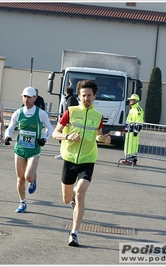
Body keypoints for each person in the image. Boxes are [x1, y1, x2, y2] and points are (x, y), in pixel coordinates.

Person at [52, 79, 111, 247]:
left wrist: (104, 139)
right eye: (84, 95)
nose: (87, 99)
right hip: (69, 159)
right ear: (79, 96)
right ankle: (72, 202)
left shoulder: (98, 116)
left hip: (88, 160)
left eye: (89, 96)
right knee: (66, 198)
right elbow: (55, 133)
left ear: (95, 96)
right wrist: (67, 136)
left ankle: (74, 233)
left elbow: (98, 136)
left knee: (80, 193)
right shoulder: (70, 112)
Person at [4, 87, 53, 213]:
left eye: (29, 97)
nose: (27, 99)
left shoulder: (41, 113)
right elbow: (10, 127)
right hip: (20, 149)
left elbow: (50, 128)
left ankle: (34, 179)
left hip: (34, 150)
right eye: (25, 96)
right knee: (20, 179)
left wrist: (44, 139)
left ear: (35, 98)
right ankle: (22, 202)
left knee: (29, 177)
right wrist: (7, 136)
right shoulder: (18, 113)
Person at [55, 86, 79, 160]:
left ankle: (63, 154)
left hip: (69, 122)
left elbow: (69, 111)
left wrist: (66, 120)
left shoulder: (70, 99)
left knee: (65, 139)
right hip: (72, 121)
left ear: (66, 92)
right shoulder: (73, 98)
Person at [120, 93, 144, 165]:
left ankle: (132, 160)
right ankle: (127, 158)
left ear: (135, 100)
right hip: (129, 131)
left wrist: (136, 131)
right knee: (128, 145)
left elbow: (139, 121)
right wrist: (125, 129)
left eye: (131, 100)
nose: (130, 101)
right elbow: (129, 120)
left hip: (133, 131)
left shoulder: (138, 110)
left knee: (133, 146)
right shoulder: (132, 109)